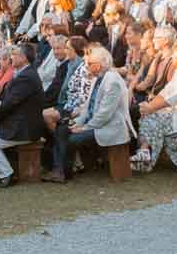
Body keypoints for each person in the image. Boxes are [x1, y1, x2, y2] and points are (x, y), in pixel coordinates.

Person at [44, 45, 133, 183]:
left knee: (73, 139)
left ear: (98, 65)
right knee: (61, 129)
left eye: (89, 64)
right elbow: (88, 107)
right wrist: (77, 122)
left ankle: (64, 172)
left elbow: (105, 114)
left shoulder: (112, 81)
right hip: (96, 123)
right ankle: (60, 171)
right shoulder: (99, 77)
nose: (86, 66)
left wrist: (84, 127)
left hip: (110, 127)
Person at [0, 41, 42, 187]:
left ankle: (7, 174)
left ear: (23, 58)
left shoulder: (26, 77)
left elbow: (9, 104)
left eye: (14, 54)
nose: (11, 57)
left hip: (23, 128)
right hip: (15, 121)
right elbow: (8, 103)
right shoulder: (23, 73)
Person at [132, 40, 177, 173]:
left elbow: (175, 97)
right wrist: (149, 106)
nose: (172, 57)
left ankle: (145, 155)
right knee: (149, 117)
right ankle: (144, 152)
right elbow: (166, 92)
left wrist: (151, 108)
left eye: (174, 54)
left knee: (153, 119)